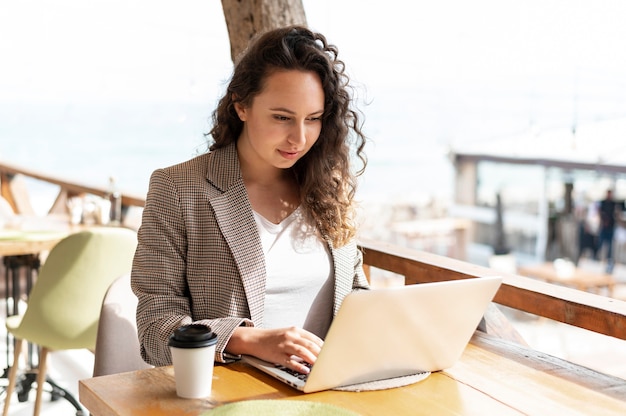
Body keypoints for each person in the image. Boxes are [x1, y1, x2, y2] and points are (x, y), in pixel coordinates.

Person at [131, 25, 369, 375]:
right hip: (231, 394)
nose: (299, 138)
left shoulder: (329, 187)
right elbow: (154, 328)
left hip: (328, 387)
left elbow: (353, 287)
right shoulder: (179, 189)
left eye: (313, 119)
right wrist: (248, 340)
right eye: (282, 117)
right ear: (241, 105)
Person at [596, 189, 625, 273]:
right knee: (601, 244)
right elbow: (599, 212)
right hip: (603, 228)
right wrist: (602, 221)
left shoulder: (613, 204)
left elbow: (617, 214)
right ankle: (599, 260)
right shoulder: (603, 203)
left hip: (610, 228)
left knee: (610, 247)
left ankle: (608, 263)